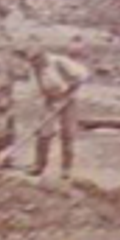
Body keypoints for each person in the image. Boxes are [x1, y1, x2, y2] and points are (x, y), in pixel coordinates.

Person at [25, 49, 91, 179]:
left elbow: (83, 75)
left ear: (43, 57)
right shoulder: (35, 70)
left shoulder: (59, 62)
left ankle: (66, 170)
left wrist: (69, 93)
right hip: (50, 100)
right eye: (32, 63)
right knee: (43, 133)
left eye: (36, 61)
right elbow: (36, 90)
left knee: (67, 133)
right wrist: (46, 104)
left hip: (69, 100)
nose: (34, 65)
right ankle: (39, 166)